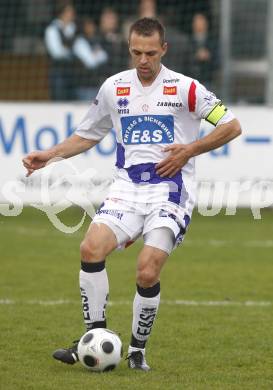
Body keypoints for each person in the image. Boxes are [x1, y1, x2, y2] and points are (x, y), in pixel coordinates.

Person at [23, 17, 241, 371]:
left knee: (146, 270)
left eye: (151, 53)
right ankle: (95, 337)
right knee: (90, 248)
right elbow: (89, 134)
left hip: (171, 190)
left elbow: (232, 125)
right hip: (126, 188)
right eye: (137, 52)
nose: (143, 60)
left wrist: (189, 150)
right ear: (129, 49)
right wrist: (49, 156)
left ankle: (137, 350)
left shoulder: (186, 88)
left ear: (163, 50)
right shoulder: (114, 87)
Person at [44, 2, 78, 100]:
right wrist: (71, 52)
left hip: (74, 74)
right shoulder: (52, 29)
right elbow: (56, 52)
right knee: (59, 102)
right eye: (70, 11)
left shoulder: (74, 28)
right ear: (62, 13)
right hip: (59, 74)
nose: (73, 13)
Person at [190, 13, 218, 89]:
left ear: (206, 25)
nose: (199, 25)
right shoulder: (188, 41)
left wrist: (209, 56)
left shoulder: (213, 41)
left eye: (201, 23)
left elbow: (218, 61)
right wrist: (195, 56)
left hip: (208, 80)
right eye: (196, 23)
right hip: (191, 80)